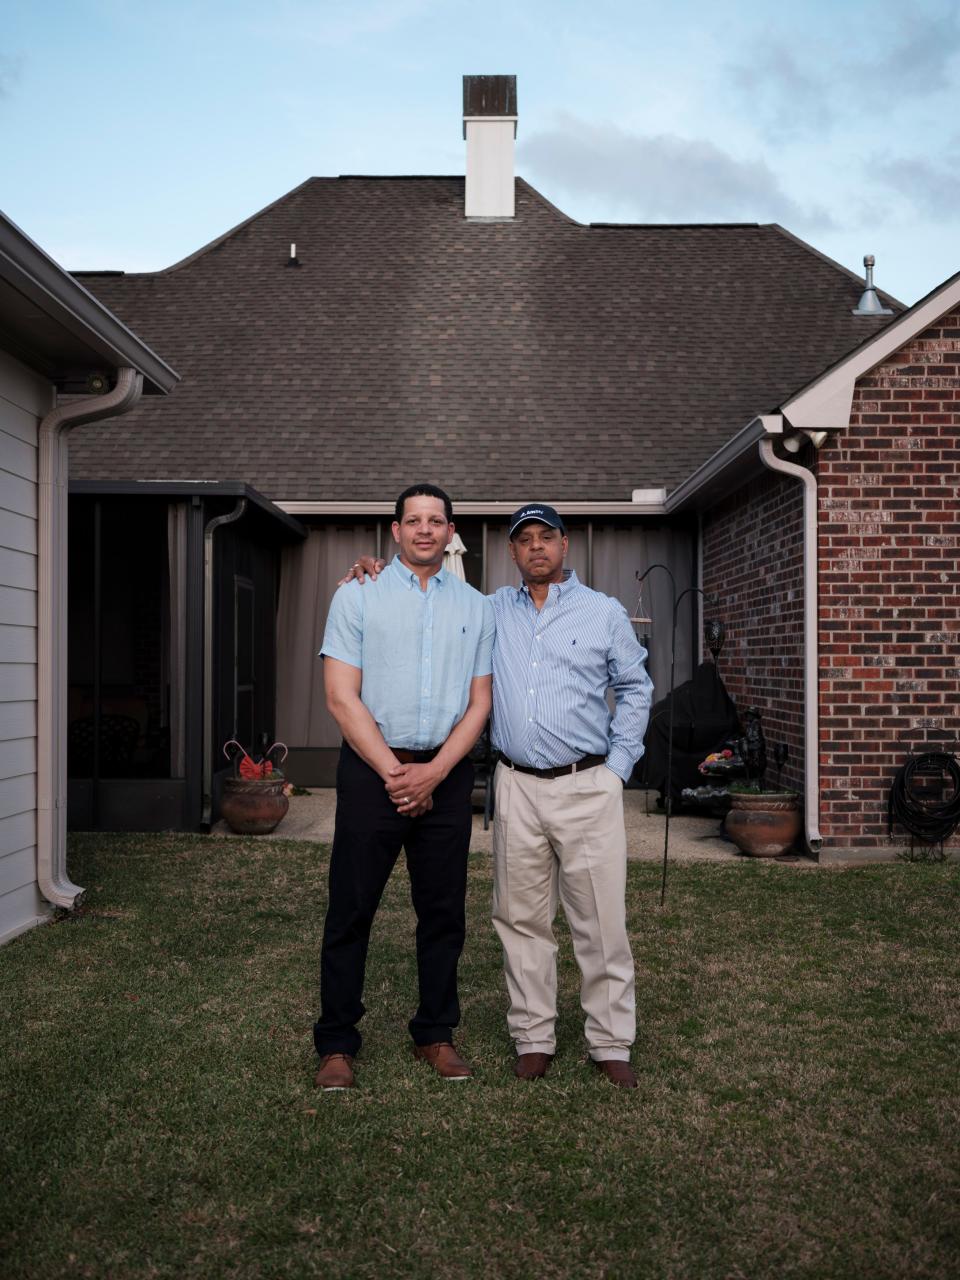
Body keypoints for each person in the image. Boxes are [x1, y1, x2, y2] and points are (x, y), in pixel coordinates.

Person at [345, 503, 653, 1089]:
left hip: (586, 783)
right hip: (514, 784)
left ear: (565, 546)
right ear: (512, 553)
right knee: (520, 919)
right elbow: (426, 599)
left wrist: (617, 768)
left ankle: (611, 1042)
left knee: (600, 922)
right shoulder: (487, 611)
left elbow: (635, 687)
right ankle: (533, 1037)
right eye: (525, 540)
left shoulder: (603, 612)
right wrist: (374, 570)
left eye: (547, 538)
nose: (537, 547)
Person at [314, 484, 494, 1091]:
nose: (424, 530)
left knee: (443, 912)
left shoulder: (477, 607)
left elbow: (480, 702)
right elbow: (341, 697)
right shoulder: (356, 597)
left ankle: (435, 1034)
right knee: (351, 909)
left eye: (436, 520)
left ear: (450, 532)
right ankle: (337, 1043)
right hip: (372, 771)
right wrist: (397, 774)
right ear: (394, 531)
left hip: (445, 773)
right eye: (413, 520)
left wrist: (436, 773)